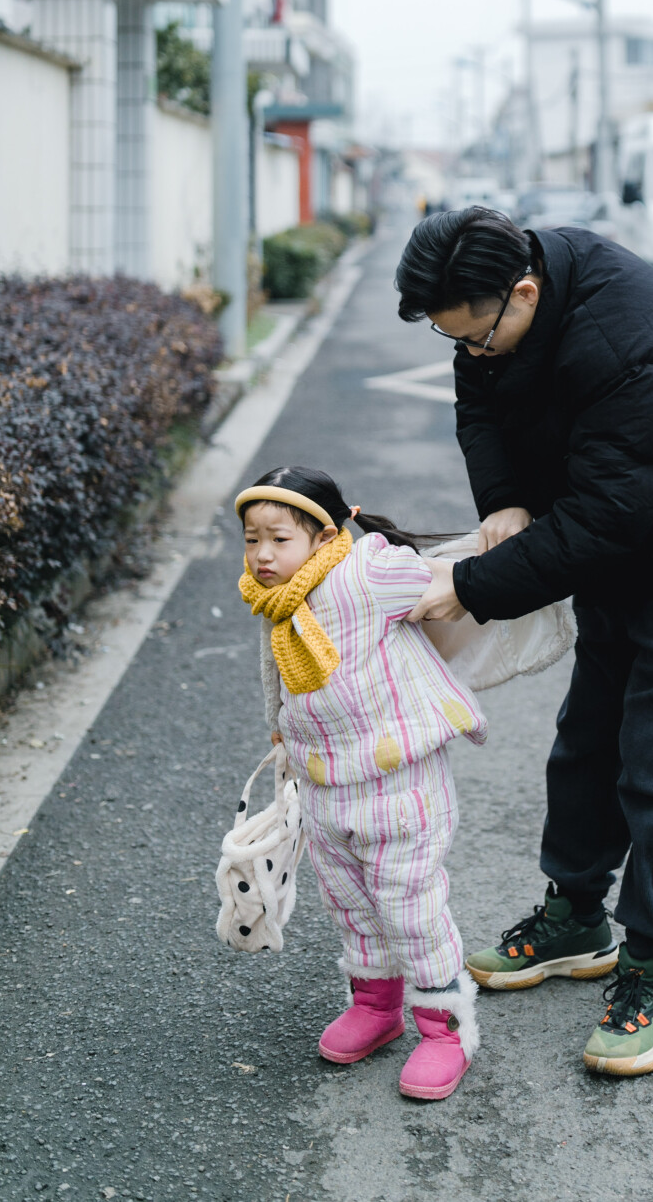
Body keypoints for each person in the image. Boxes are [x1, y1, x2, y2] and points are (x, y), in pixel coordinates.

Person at [396, 207, 653, 1078]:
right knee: (586, 743)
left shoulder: (626, 333)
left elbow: (612, 516)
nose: (470, 353)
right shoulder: (494, 313)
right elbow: (479, 403)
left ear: (524, 292)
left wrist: (464, 588)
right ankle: (577, 920)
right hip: (615, 530)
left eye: (477, 335)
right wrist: (500, 499)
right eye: (450, 338)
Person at [235, 465, 487, 1102]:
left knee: (410, 908)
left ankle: (444, 1030)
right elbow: (281, 678)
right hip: (326, 789)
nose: (263, 554)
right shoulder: (275, 600)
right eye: (251, 538)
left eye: (279, 538)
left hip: (398, 785)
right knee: (351, 901)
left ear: (326, 535)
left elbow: (447, 583)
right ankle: (377, 1006)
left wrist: (506, 547)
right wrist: (281, 735)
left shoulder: (366, 572)